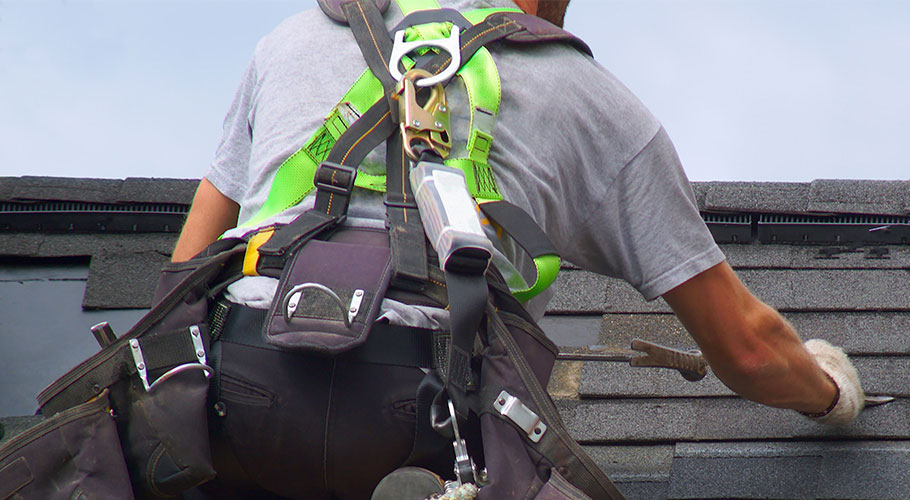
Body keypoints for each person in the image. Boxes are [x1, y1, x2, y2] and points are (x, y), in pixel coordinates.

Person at [173, 0, 865, 496]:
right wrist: (828, 392)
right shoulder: (585, 96)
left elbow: (183, 275)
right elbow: (745, 348)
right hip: (422, 406)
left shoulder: (290, 40)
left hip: (242, 385)